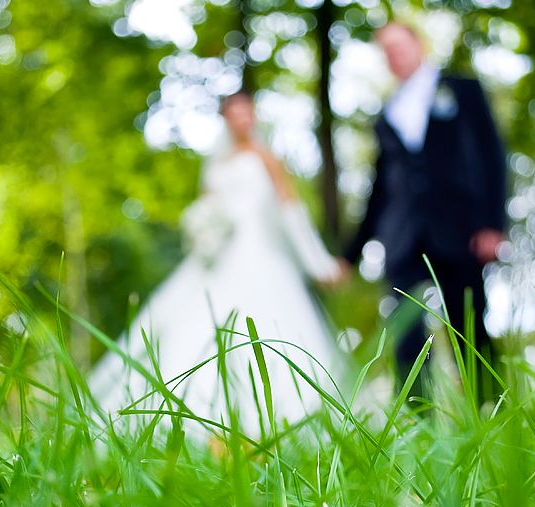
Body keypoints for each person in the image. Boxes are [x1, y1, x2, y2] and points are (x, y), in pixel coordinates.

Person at [89, 91, 347, 435]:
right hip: (218, 259)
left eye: (247, 113)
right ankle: (191, 418)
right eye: (235, 114)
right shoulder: (217, 166)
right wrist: (203, 234)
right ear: (226, 120)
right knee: (196, 326)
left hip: (262, 257)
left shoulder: (265, 158)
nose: (243, 120)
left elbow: (291, 211)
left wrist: (320, 264)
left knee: (270, 324)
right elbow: (206, 209)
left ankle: (285, 418)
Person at [344, 21, 507, 395]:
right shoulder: (386, 115)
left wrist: (492, 223)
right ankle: (420, 422)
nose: (395, 56)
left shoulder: (462, 89)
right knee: (404, 329)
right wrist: (350, 255)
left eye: (399, 46)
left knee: (469, 325)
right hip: (402, 236)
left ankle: (492, 412)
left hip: (460, 228)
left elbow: (491, 155)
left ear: (418, 44)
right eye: (387, 51)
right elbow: (379, 189)